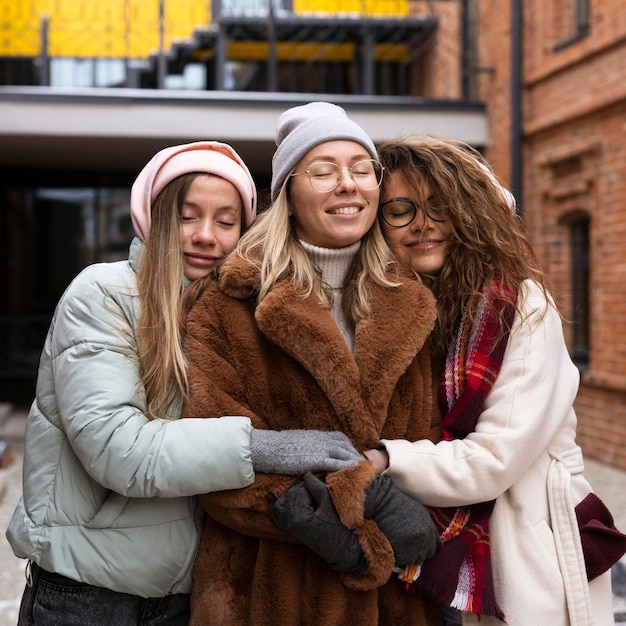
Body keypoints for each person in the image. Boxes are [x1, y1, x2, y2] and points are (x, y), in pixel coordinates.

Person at [6, 140, 363, 626]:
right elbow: (117, 447)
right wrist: (265, 447)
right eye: (187, 216)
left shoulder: (234, 315)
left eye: (225, 220)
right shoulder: (103, 294)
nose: (205, 236)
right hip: (88, 596)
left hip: (188, 598)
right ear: (155, 217)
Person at [182, 103, 443, 625]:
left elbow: (433, 439)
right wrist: (351, 515)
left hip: (395, 600)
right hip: (267, 590)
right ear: (288, 195)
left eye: (361, 169)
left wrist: (402, 507)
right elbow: (206, 456)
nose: (348, 184)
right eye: (323, 171)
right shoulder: (229, 303)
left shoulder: (413, 299)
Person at [364, 135, 626, 625]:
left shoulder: (520, 308)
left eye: (441, 206)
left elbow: (493, 458)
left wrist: (384, 457)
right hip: (429, 546)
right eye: (401, 209)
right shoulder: (401, 312)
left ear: (472, 214)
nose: (423, 224)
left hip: (526, 543)